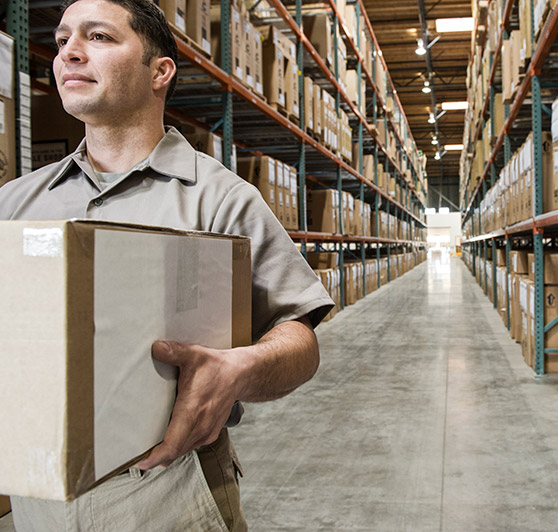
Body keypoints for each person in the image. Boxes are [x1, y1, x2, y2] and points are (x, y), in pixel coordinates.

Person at [0, 0, 334, 529]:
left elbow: (300, 339)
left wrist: (238, 371)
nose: (69, 53)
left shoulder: (221, 200)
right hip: (39, 497)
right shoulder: (14, 204)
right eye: (62, 41)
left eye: (99, 37)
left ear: (159, 71)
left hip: (172, 489)